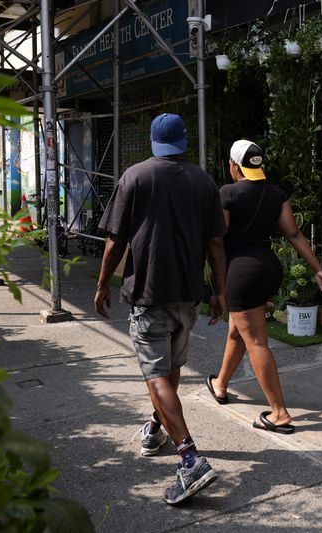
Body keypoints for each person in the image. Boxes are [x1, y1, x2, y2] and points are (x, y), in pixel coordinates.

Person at [94, 113, 227, 505]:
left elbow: (115, 240)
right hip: (188, 296)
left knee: (156, 376)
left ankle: (189, 459)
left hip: (150, 295)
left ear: (153, 142)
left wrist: (103, 283)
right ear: (185, 141)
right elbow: (217, 244)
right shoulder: (204, 182)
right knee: (169, 371)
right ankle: (156, 426)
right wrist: (220, 292)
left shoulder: (135, 177)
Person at [205, 139, 322, 434]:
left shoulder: (227, 193)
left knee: (256, 342)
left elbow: (217, 243)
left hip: (242, 274)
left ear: (234, 166)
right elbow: (295, 234)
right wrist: (318, 269)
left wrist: (215, 285)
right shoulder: (276, 194)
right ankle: (220, 384)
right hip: (269, 269)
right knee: (239, 329)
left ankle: (279, 413)